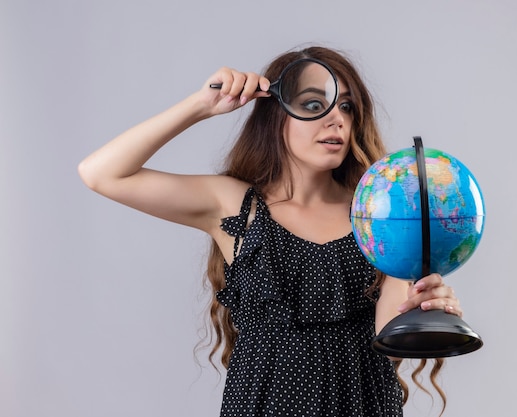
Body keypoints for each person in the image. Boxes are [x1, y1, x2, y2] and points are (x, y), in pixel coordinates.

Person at [78, 45, 463, 417]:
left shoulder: (380, 212)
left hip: (362, 402)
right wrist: (201, 105)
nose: (338, 119)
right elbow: (101, 173)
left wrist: (424, 308)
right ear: (275, 113)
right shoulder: (235, 205)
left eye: (347, 106)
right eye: (315, 104)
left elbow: (389, 338)